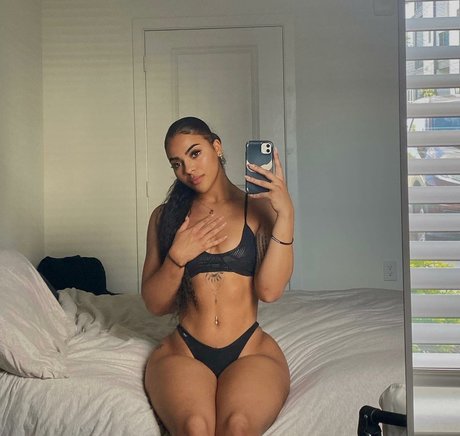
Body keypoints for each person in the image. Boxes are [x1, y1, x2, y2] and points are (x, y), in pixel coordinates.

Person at [142, 117, 294, 436]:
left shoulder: (259, 209)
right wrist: (177, 257)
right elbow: (156, 305)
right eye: (177, 164)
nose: (188, 169)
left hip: (249, 350)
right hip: (184, 351)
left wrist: (286, 215)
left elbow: (270, 291)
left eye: (195, 153)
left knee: (237, 427)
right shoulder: (165, 217)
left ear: (217, 146)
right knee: (194, 428)